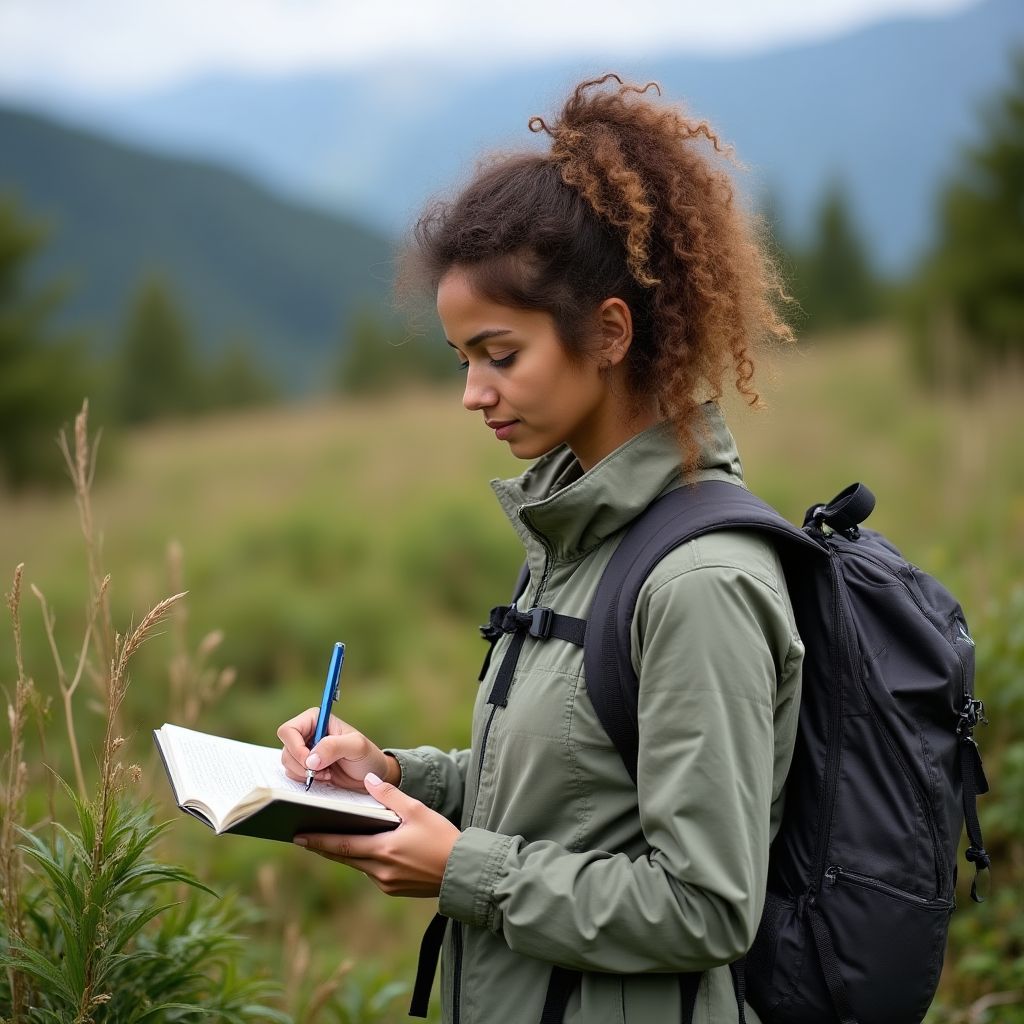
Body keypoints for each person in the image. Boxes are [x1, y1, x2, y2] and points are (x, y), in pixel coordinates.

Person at [278, 73, 804, 1024]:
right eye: (462, 360)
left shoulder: (700, 581)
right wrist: (390, 777)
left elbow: (707, 906)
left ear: (608, 332)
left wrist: (462, 872)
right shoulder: (575, 529)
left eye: (500, 354)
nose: (473, 394)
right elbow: (573, 793)